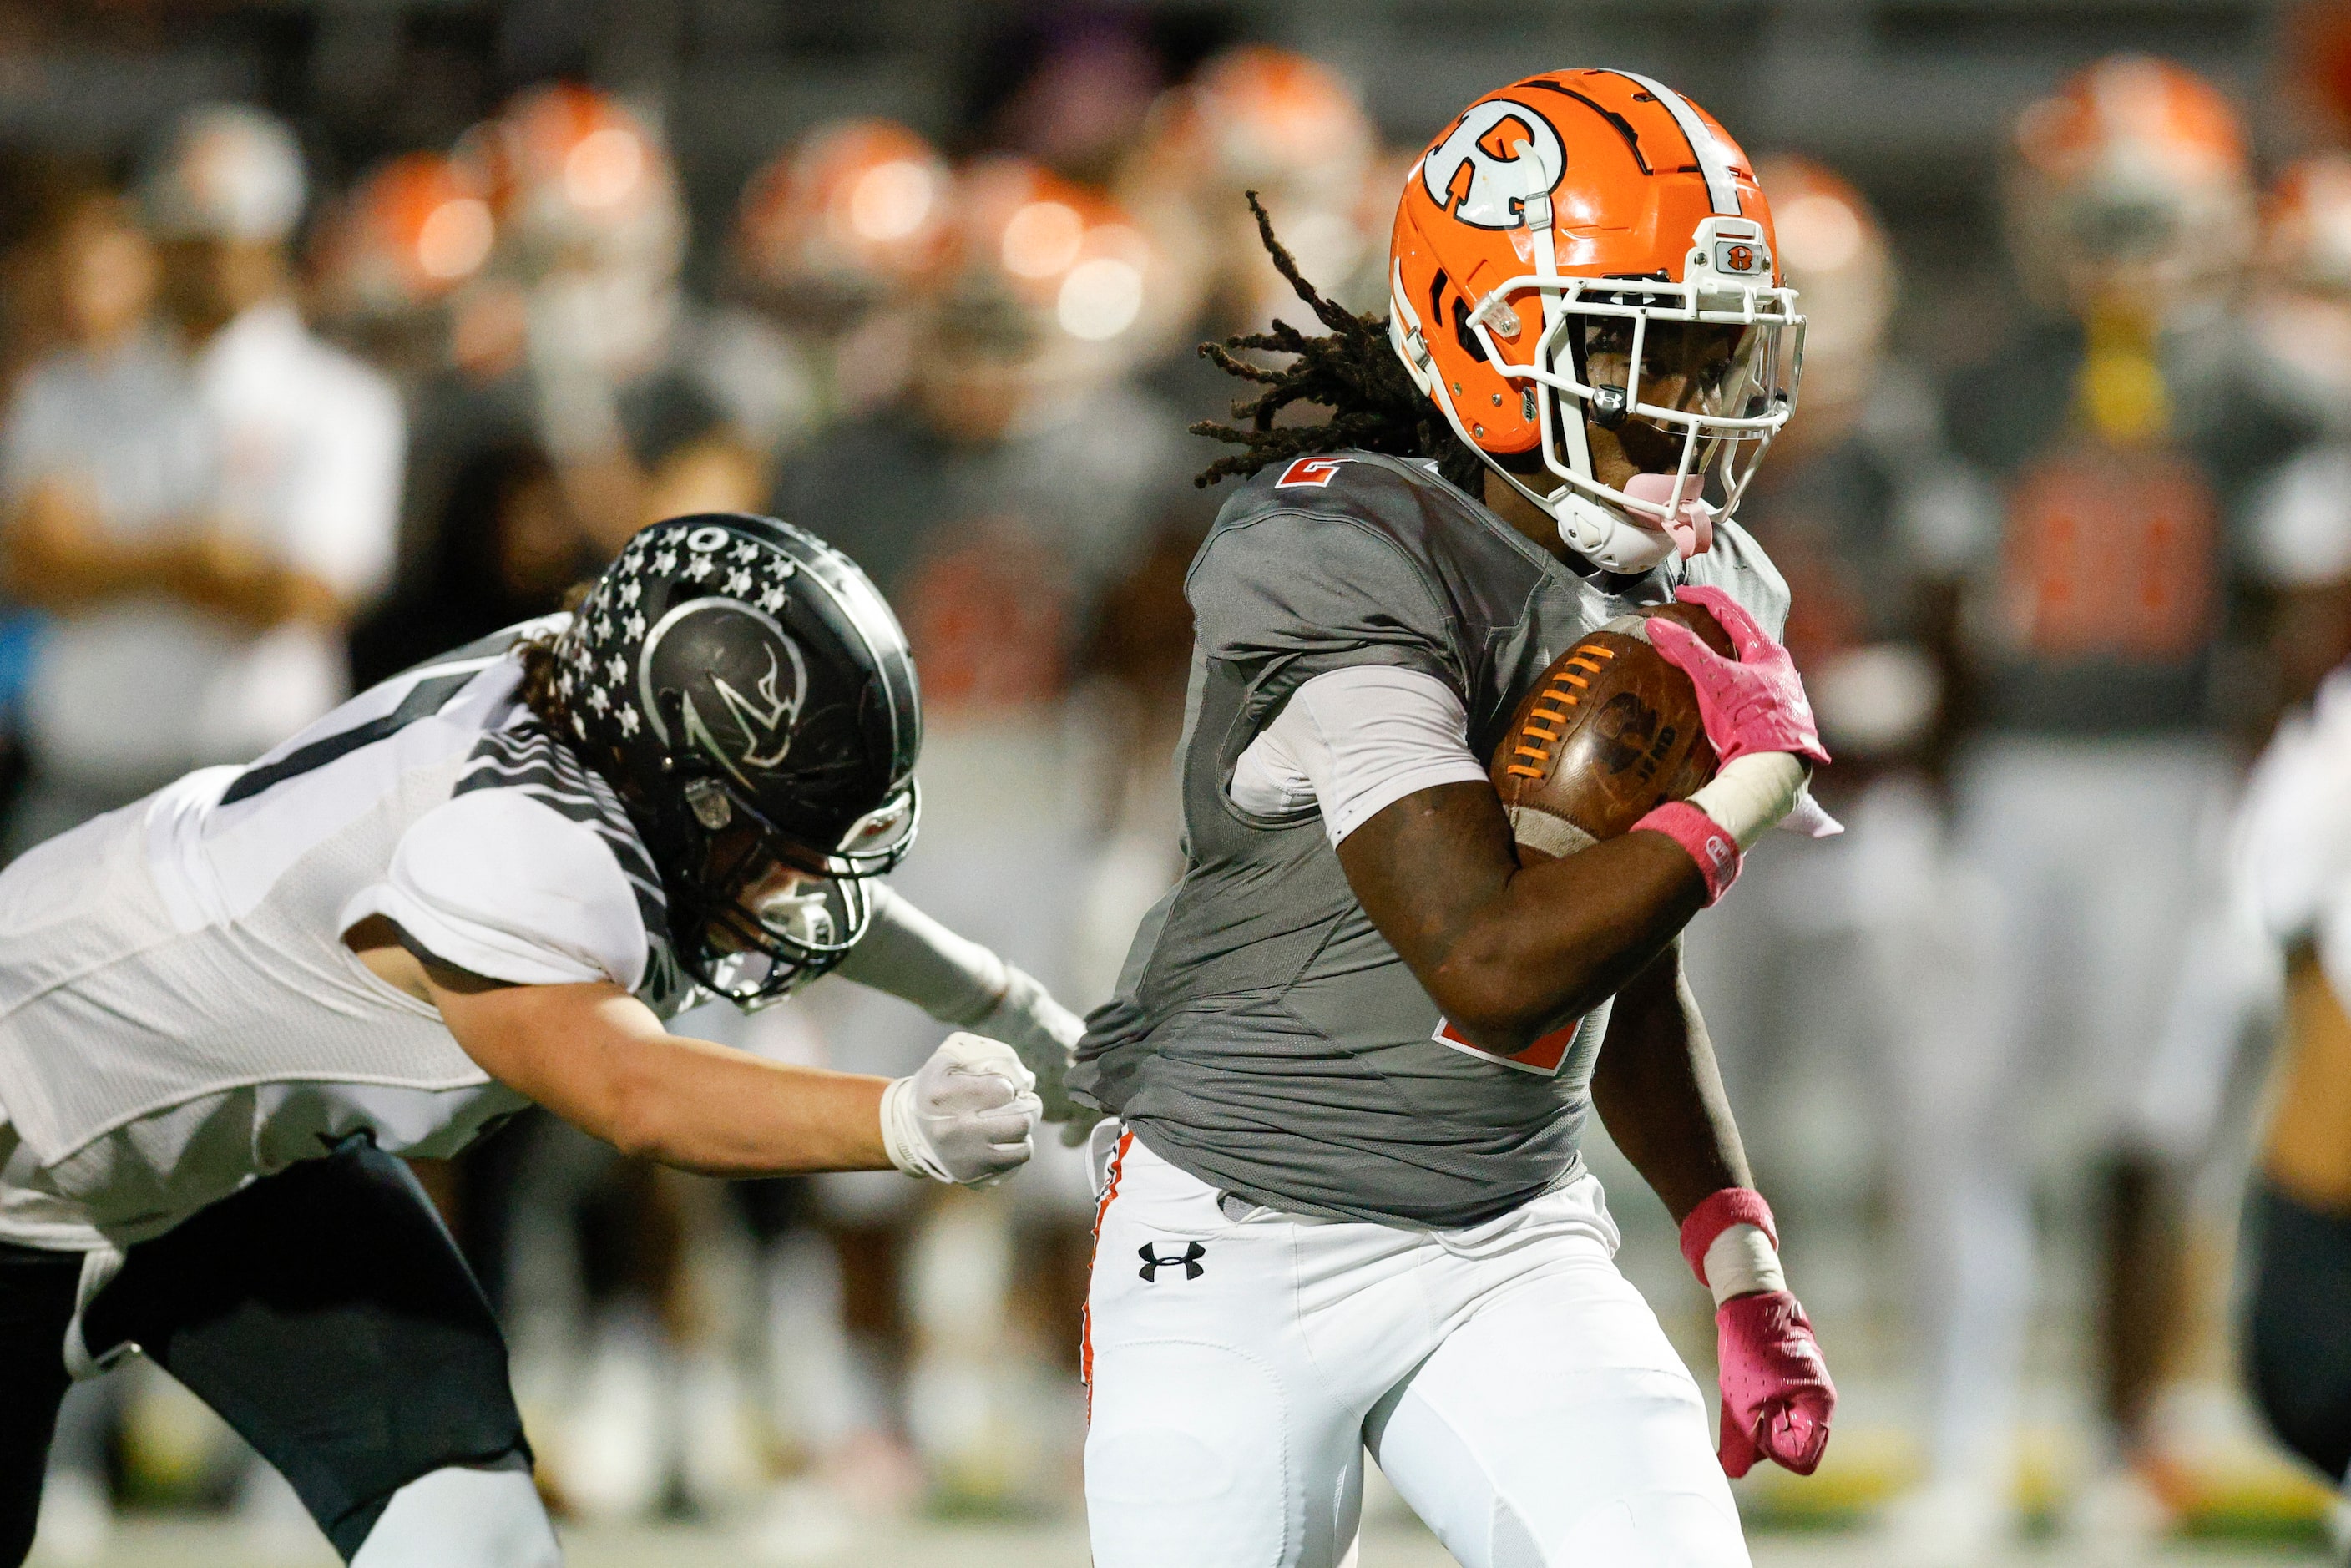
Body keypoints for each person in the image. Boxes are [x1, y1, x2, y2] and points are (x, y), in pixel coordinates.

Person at [0, 510, 1086, 1567]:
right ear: (683, 783)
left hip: (231, 1162)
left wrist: (999, 1002)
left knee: (472, 1529)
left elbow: (759, 878)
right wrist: (899, 1120)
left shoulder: (589, 701)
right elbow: (635, 1092)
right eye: (775, 836)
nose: (801, 884)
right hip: (27, 1135)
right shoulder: (510, 848)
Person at [1073, 70, 1837, 1567]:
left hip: (1506, 1239)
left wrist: (1735, 1252)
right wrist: (1758, 779)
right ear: (1491, 337)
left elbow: (1623, 949)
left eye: (1709, 353)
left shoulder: (1703, 583)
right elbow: (1489, 959)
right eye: (1643, 350)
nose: (1686, 407)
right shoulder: (1338, 543)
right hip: (1237, 1231)